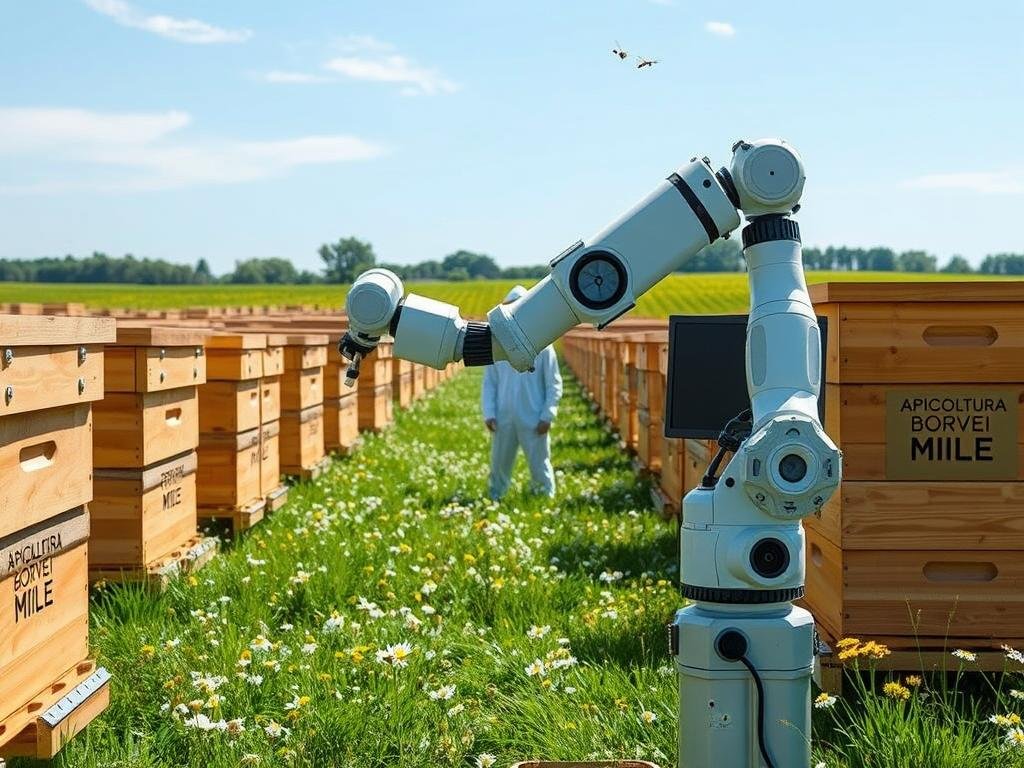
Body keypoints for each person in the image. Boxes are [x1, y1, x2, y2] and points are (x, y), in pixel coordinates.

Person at [481, 285, 563, 500]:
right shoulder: (497, 345)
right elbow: (490, 382)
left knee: (539, 461)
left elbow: (554, 383)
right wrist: (489, 412)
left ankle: (545, 497)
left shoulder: (544, 345)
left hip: (534, 417)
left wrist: (547, 415)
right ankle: (495, 496)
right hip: (503, 416)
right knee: (499, 462)